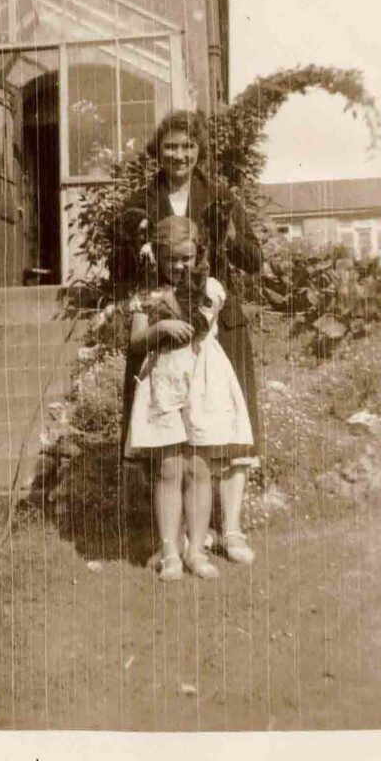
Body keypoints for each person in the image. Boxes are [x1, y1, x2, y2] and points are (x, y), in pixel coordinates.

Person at [116, 109, 262, 566]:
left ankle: (231, 528)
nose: (179, 154)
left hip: (217, 324)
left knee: (228, 423)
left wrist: (231, 234)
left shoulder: (219, 196)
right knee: (164, 431)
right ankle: (174, 540)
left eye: (188, 146)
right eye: (171, 146)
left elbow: (254, 260)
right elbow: (116, 271)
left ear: (200, 150)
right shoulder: (141, 200)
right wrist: (133, 246)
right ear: (158, 151)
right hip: (161, 325)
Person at [124, 217, 257, 581]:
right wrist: (157, 327)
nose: (180, 266)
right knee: (168, 468)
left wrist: (167, 305)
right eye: (171, 259)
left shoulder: (209, 287)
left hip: (203, 380)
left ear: (198, 253)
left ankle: (196, 550)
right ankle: (170, 552)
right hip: (163, 381)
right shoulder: (145, 293)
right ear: (158, 257)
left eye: (187, 258)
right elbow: (135, 342)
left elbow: (197, 325)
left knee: (199, 466)